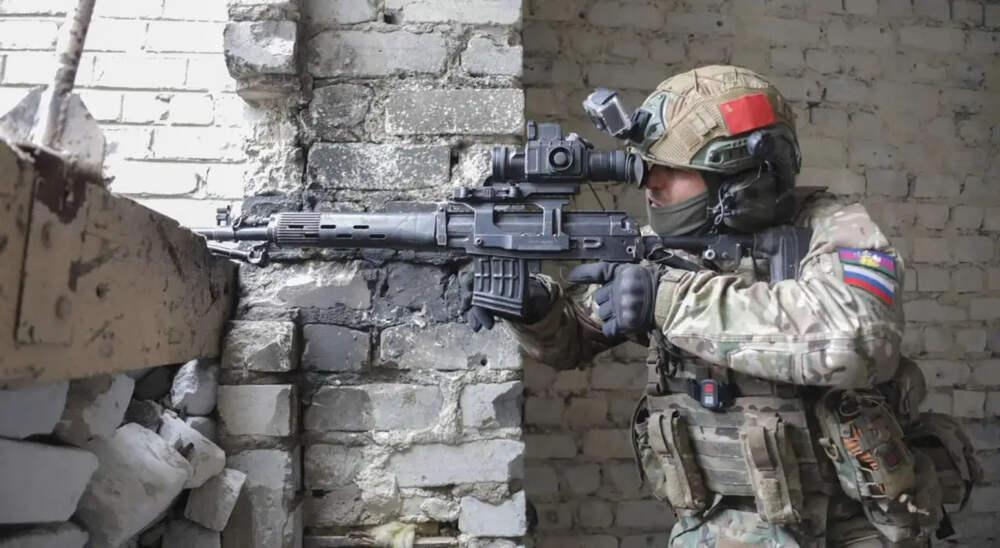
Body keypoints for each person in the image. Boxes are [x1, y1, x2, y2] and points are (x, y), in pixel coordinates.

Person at [463, 66, 978, 547]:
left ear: (742, 177)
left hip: (846, 531)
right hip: (715, 531)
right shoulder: (663, 248)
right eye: (648, 165)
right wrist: (532, 307)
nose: (650, 182)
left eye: (671, 169)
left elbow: (857, 341)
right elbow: (572, 337)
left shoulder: (836, 228)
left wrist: (667, 299)